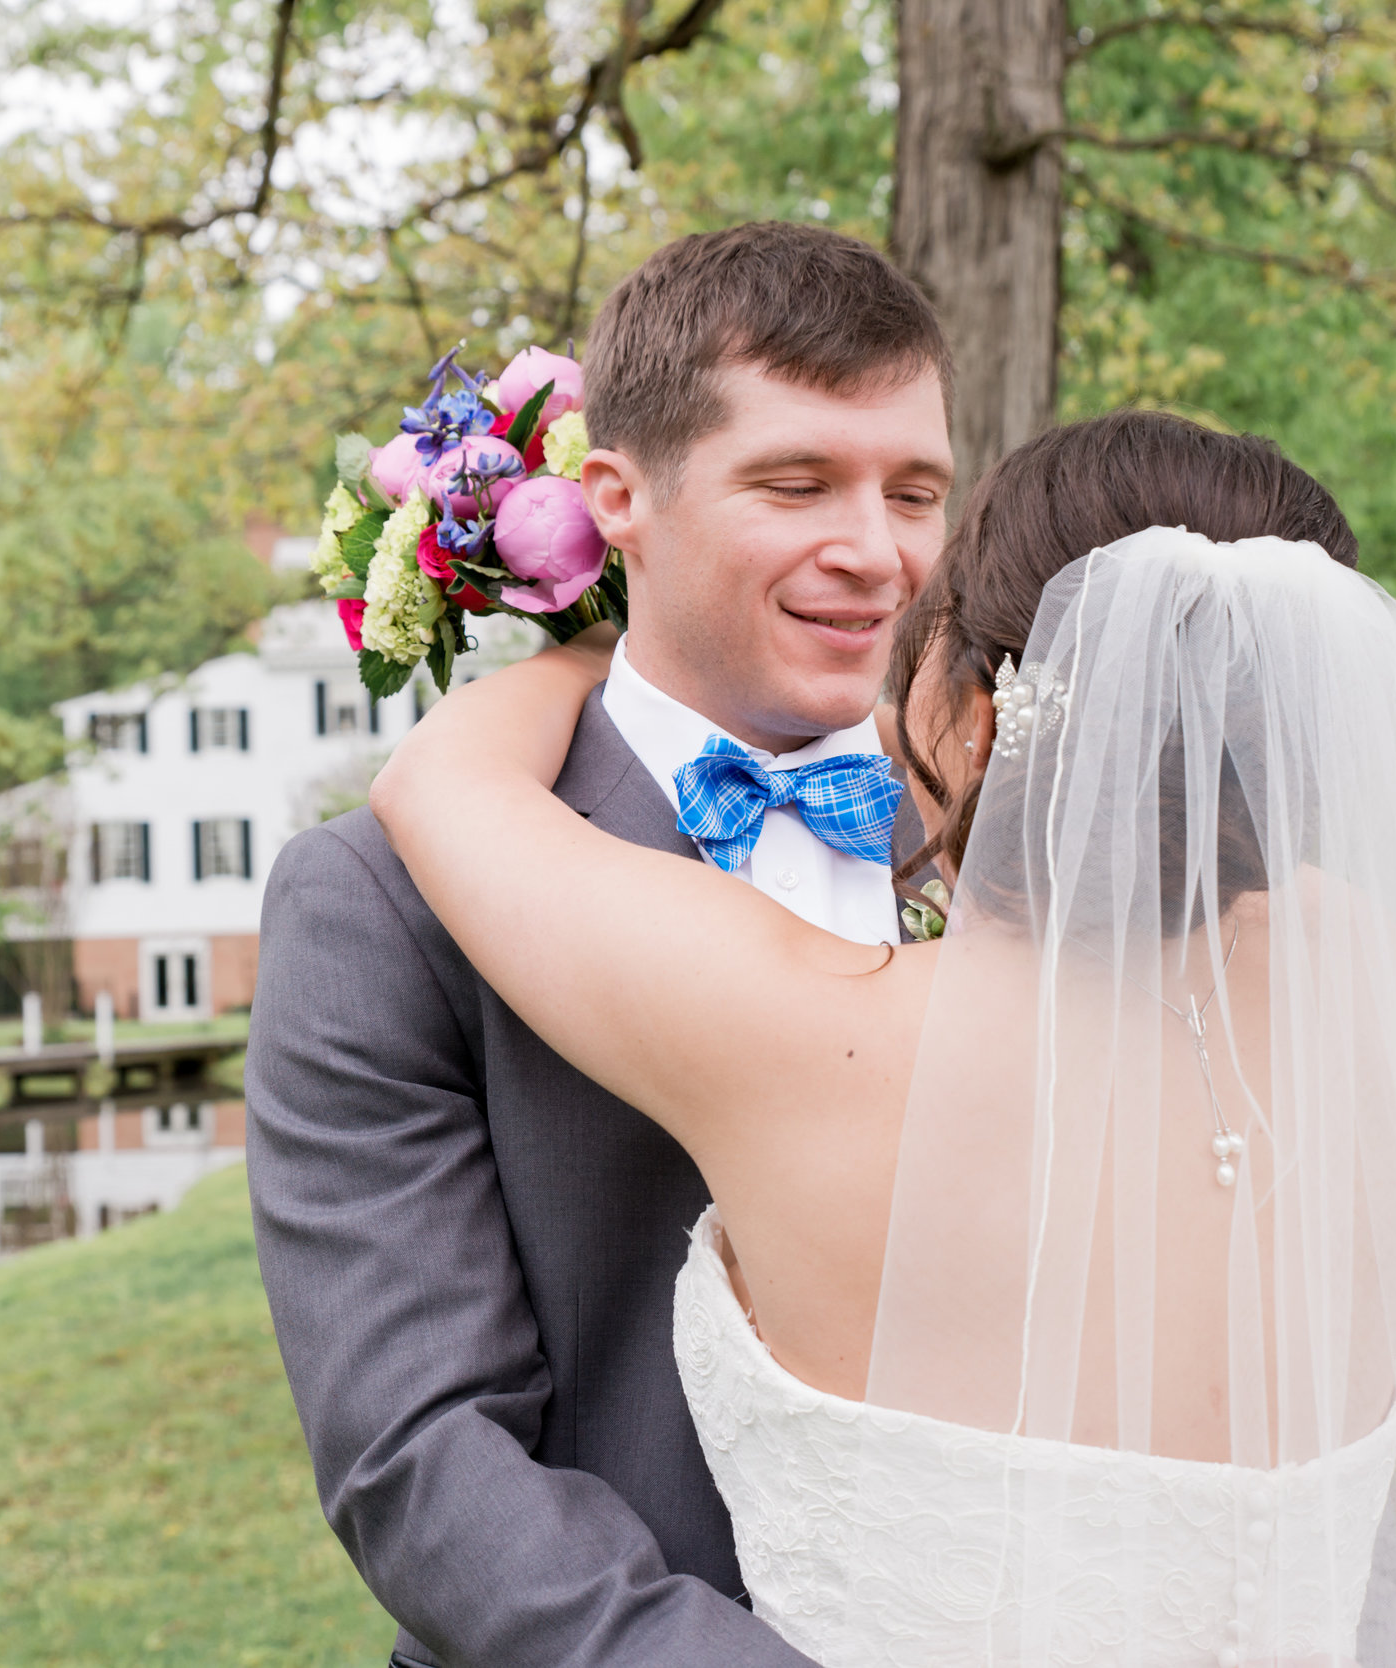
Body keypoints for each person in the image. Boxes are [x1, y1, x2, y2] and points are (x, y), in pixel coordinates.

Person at [369, 409, 1396, 1667]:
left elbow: (437, 785)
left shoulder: (807, 1036)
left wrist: (603, 634)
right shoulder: (1370, 971)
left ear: (985, 708)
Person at [244, 221, 953, 1668]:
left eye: (916, 490)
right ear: (618, 499)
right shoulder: (382, 902)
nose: (877, 552)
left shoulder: (999, 835)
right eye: (797, 482)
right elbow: (423, 1458)